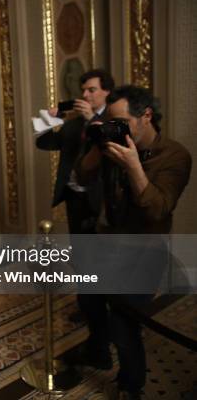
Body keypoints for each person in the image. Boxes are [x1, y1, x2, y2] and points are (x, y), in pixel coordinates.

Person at [76, 85, 192, 399]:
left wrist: (133, 166)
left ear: (146, 116)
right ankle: (97, 352)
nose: (116, 128)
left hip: (144, 251)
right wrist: (97, 143)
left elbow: (158, 208)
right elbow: (83, 177)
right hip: (104, 244)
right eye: (112, 122)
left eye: (122, 121)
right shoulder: (113, 143)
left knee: (124, 324)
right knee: (89, 301)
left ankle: (131, 385)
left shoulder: (175, 155)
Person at [36, 69, 114, 234]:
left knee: (102, 250)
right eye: (83, 90)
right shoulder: (74, 122)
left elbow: (111, 142)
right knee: (78, 249)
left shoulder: (115, 116)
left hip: (102, 196)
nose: (85, 95)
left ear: (107, 92)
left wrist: (91, 118)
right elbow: (44, 143)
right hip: (74, 195)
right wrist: (48, 120)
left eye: (91, 90)